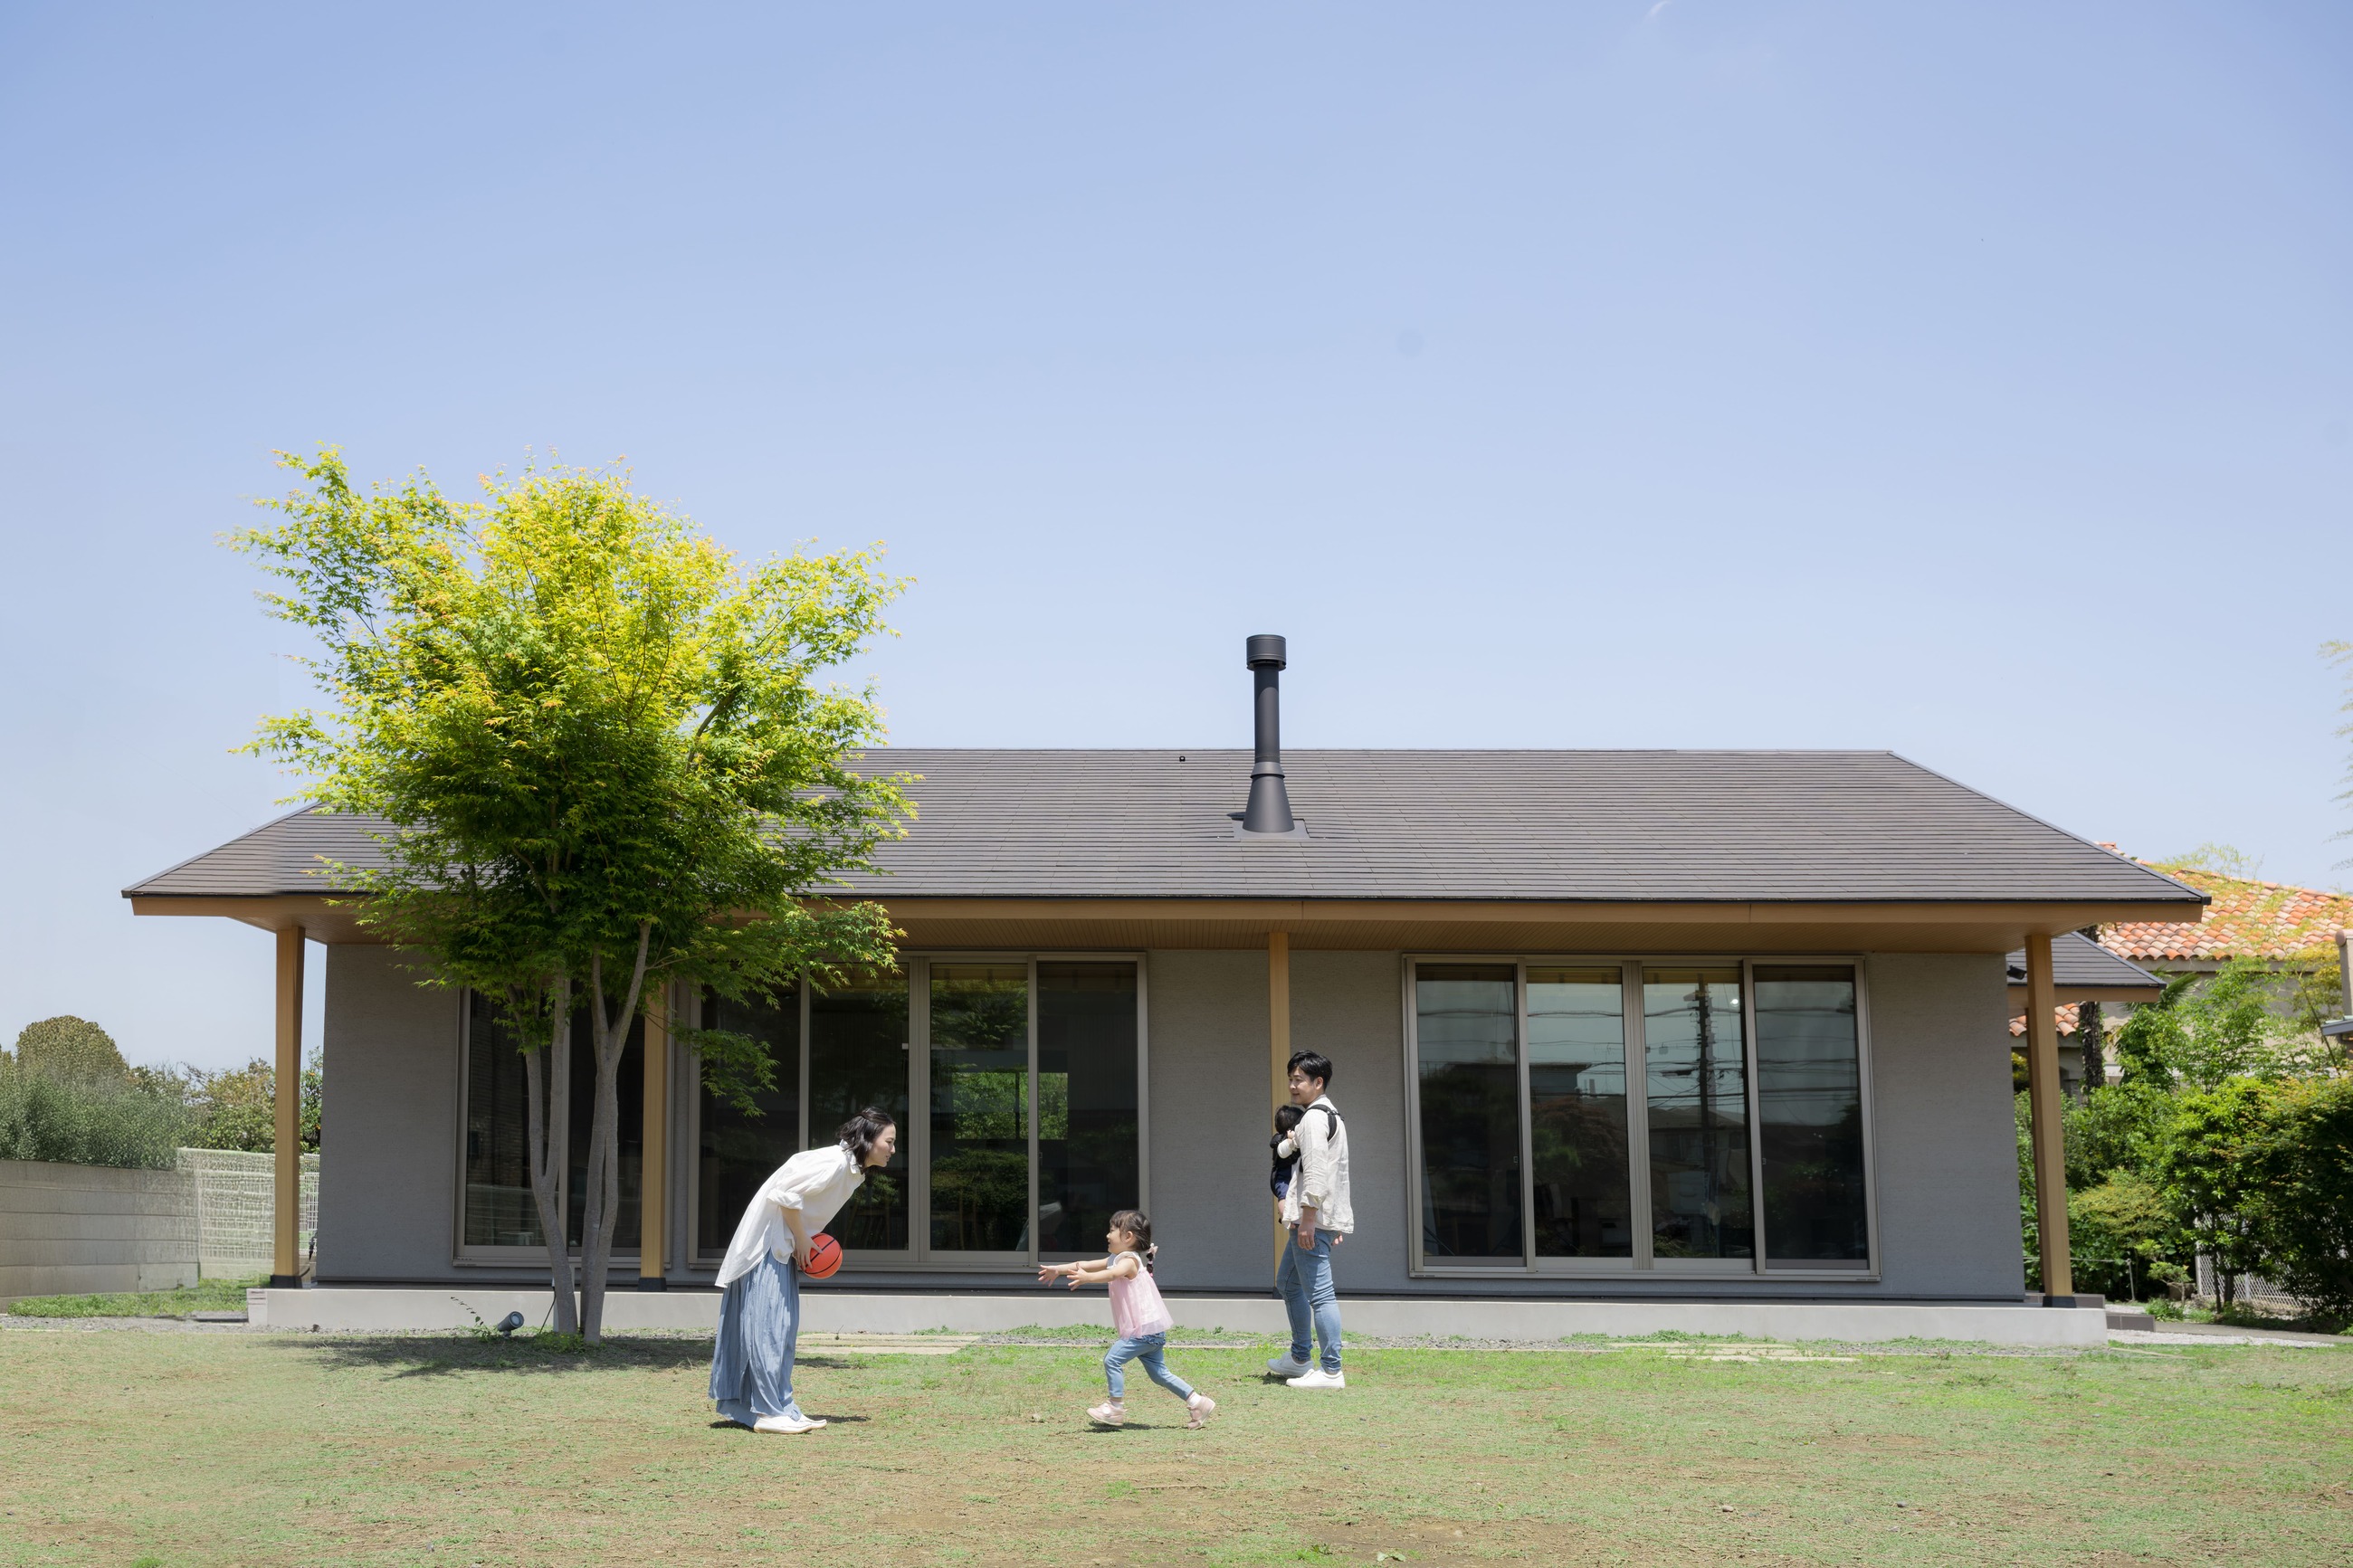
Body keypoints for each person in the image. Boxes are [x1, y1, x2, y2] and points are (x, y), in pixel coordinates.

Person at [709, 1107, 897, 1433]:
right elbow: (785, 1194)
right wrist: (802, 1239)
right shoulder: (834, 1162)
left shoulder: (849, 1169)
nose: (893, 1150)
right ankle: (768, 1413)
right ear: (868, 1139)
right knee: (770, 1331)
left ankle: (782, 1408)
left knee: (781, 1332)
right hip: (766, 1249)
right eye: (889, 1142)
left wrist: (800, 1239)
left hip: (781, 1249)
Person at [1039, 1209, 1216, 1430]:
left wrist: (1087, 1279)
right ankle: (1198, 1402)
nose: (1107, 1235)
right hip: (1150, 1329)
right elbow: (1084, 1263)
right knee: (1159, 1374)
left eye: (1112, 1230)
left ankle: (1115, 1408)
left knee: (1112, 1360)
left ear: (1128, 1237)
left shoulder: (1129, 1261)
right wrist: (1058, 1270)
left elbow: (1112, 1274)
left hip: (1143, 1330)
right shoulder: (1116, 1258)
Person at [1266, 1050, 1351, 1390]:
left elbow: (1315, 1172)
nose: (1292, 1085)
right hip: (1315, 1217)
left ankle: (1331, 1371)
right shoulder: (1324, 1114)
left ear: (1318, 1082)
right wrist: (1288, 1143)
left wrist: (1309, 1219)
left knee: (1320, 1295)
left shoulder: (1316, 1118)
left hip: (1312, 1218)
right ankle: (1300, 1358)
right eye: (1290, 1078)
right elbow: (1287, 1151)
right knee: (1288, 1283)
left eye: (1299, 1079)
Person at [1269, 1102, 1306, 1200]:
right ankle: (1283, 1208)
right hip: (1284, 1178)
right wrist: (1293, 1138)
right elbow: (1283, 1151)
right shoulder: (1283, 1142)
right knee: (1284, 1197)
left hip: (1298, 1179)